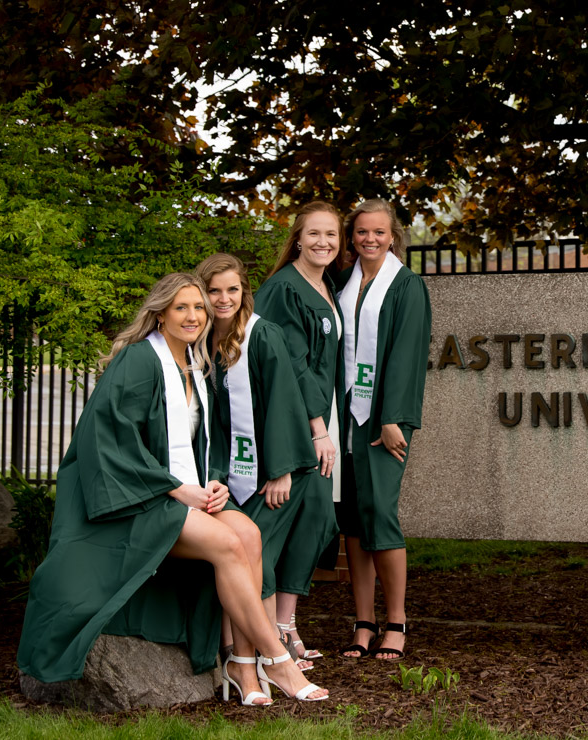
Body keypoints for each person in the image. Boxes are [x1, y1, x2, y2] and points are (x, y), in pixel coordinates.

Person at [17, 273, 326, 704]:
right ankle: (278, 661)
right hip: (142, 500)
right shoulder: (139, 361)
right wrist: (175, 489)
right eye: (182, 307)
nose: (194, 316)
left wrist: (214, 480)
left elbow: (204, 443)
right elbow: (106, 441)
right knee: (227, 544)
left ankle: (240, 663)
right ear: (160, 313)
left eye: (199, 307)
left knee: (250, 535)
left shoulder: (194, 368)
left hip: (188, 494)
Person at [197, 253, 321, 670]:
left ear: (244, 292)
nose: (223, 298)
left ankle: (268, 654)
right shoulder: (203, 339)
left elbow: (285, 400)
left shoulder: (262, 334)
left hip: (277, 472)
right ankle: (239, 654)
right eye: (214, 290)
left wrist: (281, 469)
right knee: (239, 555)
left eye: (232, 289)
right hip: (230, 472)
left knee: (258, 556)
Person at [336, 199, 432, 661]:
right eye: (361, 233)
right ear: (351, 237)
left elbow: (407, 354)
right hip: (345, 416)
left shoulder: (406, 286)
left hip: (382, 420)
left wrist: (393, 417)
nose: (369, 240)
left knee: (380, 512)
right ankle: (363, 622)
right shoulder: (344, 283)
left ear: (392, 236)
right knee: (353, 519)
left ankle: (396, 622)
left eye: (378, 232)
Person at [254, 202, 345, 664]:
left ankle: (286, 624)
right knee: (282, 523)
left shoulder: (326, 284)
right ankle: (262, 629)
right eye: (314, 234)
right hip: (295, 424)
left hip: (322, 422)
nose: (323, 243)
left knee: (316, 522)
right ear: (297, 237)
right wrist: (315, 428)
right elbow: (288, 363)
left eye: (331, 235)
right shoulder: (283, 289)